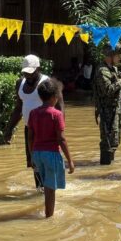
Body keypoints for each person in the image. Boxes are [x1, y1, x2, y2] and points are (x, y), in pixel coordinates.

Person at [4, 54, 64, 190]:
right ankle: (41, 190)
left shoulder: (48, 83)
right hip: (29, 130)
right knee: (34, 162)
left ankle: (49, 189)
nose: (28, 76)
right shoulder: (20, 83)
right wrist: (9, 129)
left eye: (31, 73)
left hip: (47, 131)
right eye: (25, 73)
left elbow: (60, 107)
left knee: (48, 160)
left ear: (38, 69)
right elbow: (18, 108)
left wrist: (60, 131)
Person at [27, 79, 74, 218]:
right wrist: (70, 161)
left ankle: (48, 212)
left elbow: (30, 136)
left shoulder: (33, 113)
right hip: (51, 154)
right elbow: (61, 139)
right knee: (50, 189)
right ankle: (49, 217)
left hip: (37, 153)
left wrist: (31, 155)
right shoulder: (56, 114)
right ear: (54, 97)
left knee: (46, 185)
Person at [93, 46, 121, 165]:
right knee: (107, 142)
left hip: (115, 110)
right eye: (118, 55)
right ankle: (105, 168)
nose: (120, 58)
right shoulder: (103, 71)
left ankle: (109, 168)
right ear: (110, 56)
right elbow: (107, 90)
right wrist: (120, 82)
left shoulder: (113, 69)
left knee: (115, 140)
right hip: (107, 112)